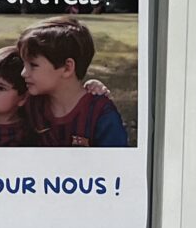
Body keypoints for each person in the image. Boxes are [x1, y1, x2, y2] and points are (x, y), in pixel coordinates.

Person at [16, 16, 130, 147]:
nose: (23, 73)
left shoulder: (100, 113)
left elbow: (116, 158)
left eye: (33, 65)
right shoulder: (30, 105)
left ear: (67, 68)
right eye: (24, 64)